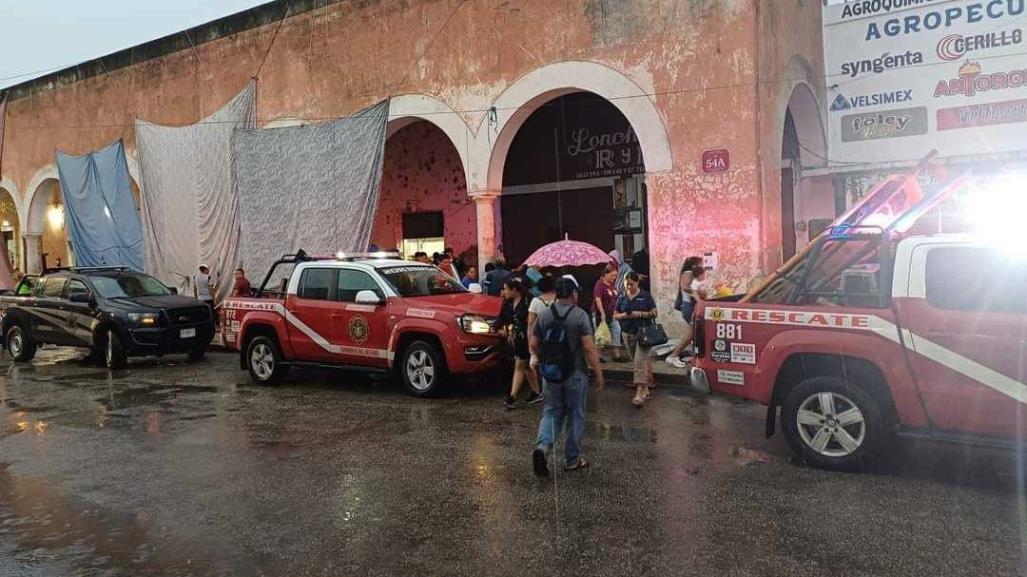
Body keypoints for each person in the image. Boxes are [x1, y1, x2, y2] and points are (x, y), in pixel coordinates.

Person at [530, 277, 604, 476]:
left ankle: (542, 448)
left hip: (550, 373)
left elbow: (534, 344)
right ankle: (572, 459)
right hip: (575, 373)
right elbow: (588, 347)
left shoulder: (544, 315)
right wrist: (598, 373)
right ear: (573, 294)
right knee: (575, 413)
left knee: (551, 411)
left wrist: (542, 359)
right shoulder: (579, 315)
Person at [496, 277, 542, 409]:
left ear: (514, 289)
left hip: (528, 337)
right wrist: (496, 326)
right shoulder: (508, 302)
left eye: (505, 289)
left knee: (520, 365)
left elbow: (534, 319)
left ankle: (512, 397)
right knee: (526, 366)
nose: (503, 292)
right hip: (517, 338)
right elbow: (502, 316)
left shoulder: (529, 301)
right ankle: (536, 392)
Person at [614, 272, 658, 408]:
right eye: (626, 285)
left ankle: (639, 393)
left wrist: (639, 314)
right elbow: (615, 315)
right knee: (637, 362)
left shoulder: (645, 296)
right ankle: (645, 389)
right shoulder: (621, 297)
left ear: (637, 283)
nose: (629, 287)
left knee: (639, 362)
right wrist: (625, 316)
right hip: (627, 333)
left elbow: (654, 312)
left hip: (643, 333)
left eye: (631, 285)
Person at [667, 257, 707, 368]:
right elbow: (684, 287)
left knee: (696, 333)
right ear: (694, 265)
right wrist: (698, 292)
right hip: (689, 306)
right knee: (691, 333)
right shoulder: (688, 273)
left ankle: (696, 356)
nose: (702, 266)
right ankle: (673, 355)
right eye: (700, 264)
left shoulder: (693, 275)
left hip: (692, 306)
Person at [593, 265, 624, 362]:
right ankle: (599, 356)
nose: (614, 278)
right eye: (612, 275)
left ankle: (617, 355)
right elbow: (598, 299)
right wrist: (602, 312)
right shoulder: (599, 284)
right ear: (605, 274)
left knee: (616, 330)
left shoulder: (612, 285)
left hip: (612, 314)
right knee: (601, 335)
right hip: (601, 314)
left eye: (615, 276)